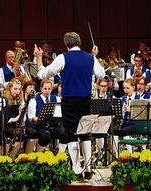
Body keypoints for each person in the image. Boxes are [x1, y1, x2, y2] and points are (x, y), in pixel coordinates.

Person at [34, 32, 104, 179]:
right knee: (85, 133)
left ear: (66, 44)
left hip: (69, 100)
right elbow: (101, 75)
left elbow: (43, 75)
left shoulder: (63, 57)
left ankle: (77, 169)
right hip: (85, 99)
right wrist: (93, 58)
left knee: (71, 133)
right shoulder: (90, 57)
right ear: (80, 43)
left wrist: (39, 59)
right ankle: (88, 169)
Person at [26, 79, 63, 153]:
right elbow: (31, 117)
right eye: (45, 89)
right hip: (39, 125)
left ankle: (59, 156)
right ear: (41, 89)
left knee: (63, 132)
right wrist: (38, 118)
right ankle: (39, 155)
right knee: (45, 136)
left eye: (49, 89)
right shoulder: (34, 100)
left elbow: (59, 114)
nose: (47, 91)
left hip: (53, 125)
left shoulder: (56, 98)